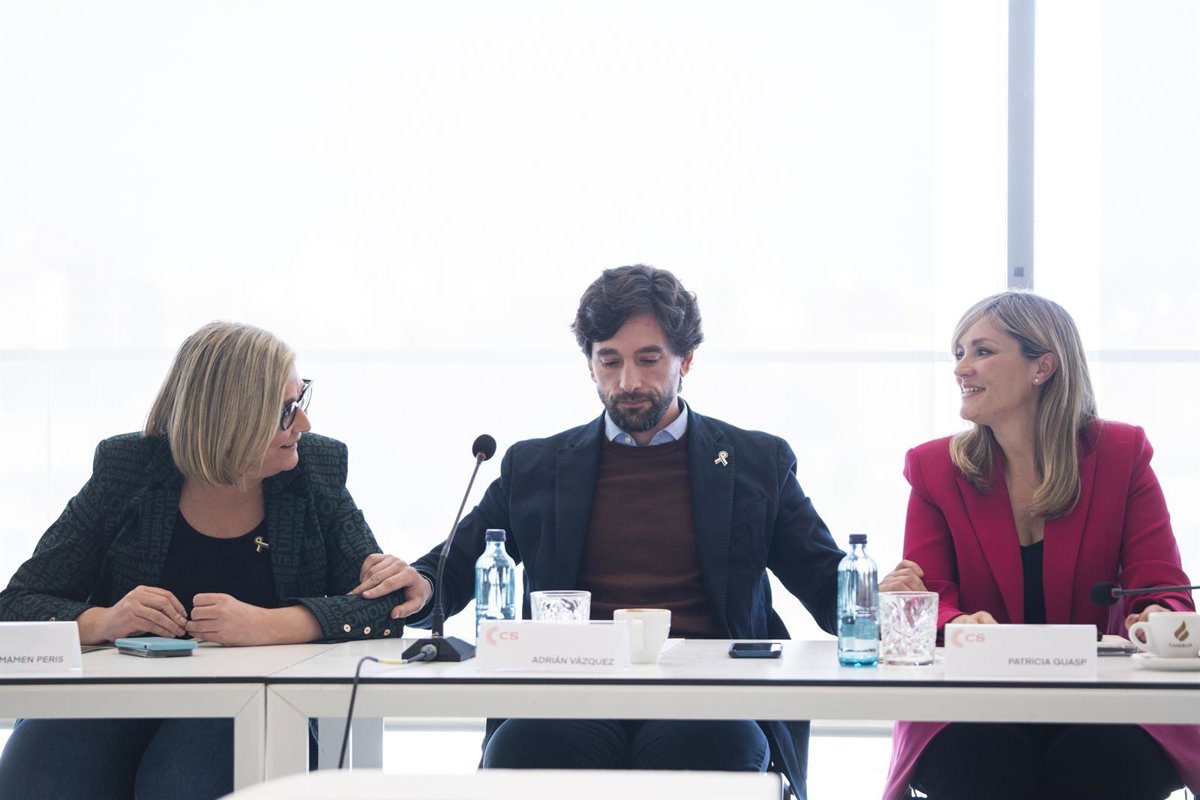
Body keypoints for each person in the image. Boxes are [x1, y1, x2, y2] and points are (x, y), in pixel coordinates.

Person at [389, 264, 913, 800]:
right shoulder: (537, 465)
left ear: (686, 360)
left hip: (709, 695)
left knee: (710, 750)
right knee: (526, 750)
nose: (628, 383)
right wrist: (419, 584)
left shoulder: (757, 462)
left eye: (648, 359)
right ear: (589, 365)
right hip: (569, 692)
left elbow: (825, 584)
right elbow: (453, 568)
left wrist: (876, 598)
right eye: (609, 361)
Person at [0, 321, 419, 800]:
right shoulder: (128, 468)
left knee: (182, 780)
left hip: (254, 698)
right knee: (36, 775)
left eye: (301, 400)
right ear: (230, 419)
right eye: (286, 411)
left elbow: (383, 605)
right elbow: (16, 604)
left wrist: (269, 625)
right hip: (117, 693)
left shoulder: (314, 470)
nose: (303, 424)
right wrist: (104, 621)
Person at [883, 292, 1198, 800]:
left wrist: (1157, 616)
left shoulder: (1122, 454)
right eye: (958, 353)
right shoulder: (934, 467)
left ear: (1043, 367)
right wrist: (957, 622)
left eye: (982, 351)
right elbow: (929, 595)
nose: (961, 368)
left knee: (1099, 760)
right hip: (971, 701)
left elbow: (1162, 588)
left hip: (1107, 700)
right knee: (984, 760)